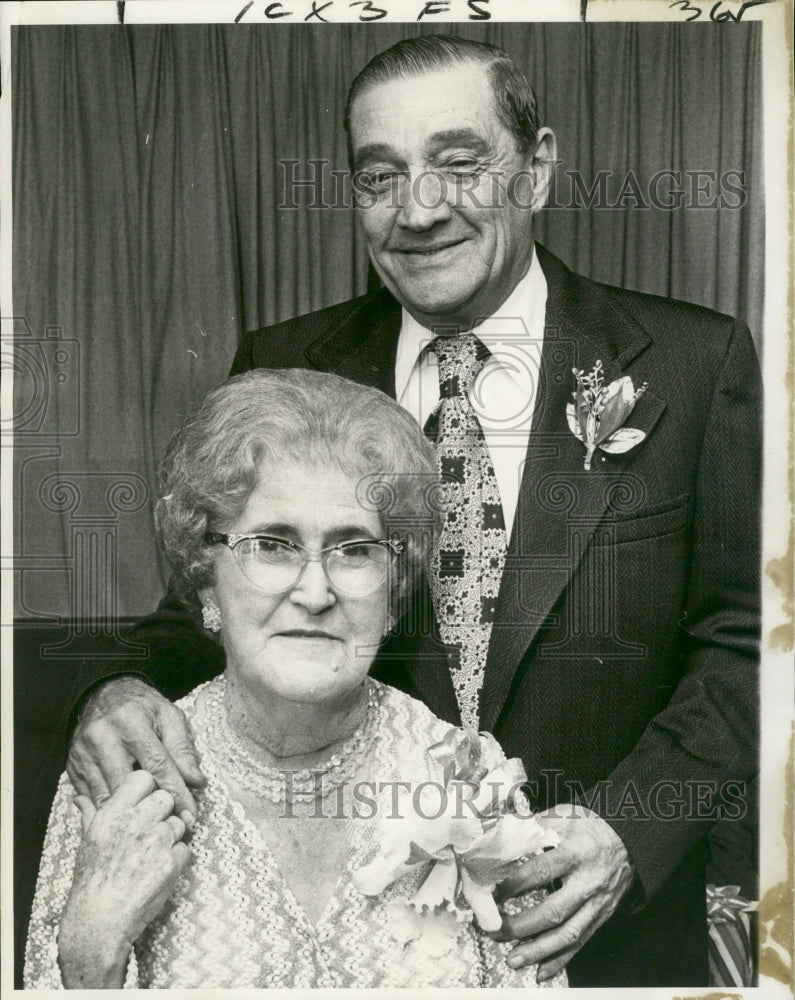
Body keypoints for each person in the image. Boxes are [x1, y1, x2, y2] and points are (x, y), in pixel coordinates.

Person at [64, 35, 760, 987]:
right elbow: (206, 607)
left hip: (602, 939)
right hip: (358, 938)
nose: (419, 209)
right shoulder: (289, 365)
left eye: (459, 164)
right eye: (379, 176)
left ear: (539, 168)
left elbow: (751, 641)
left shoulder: (690, 362)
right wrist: (115, 693)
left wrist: (627, 832)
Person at [25, 368, 569, 989]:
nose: (315, 592)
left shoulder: (469, 777)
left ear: (394, 593)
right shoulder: (125, 777)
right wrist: (92, 956)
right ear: (205, 575)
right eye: (272, 544)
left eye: (355, 550)